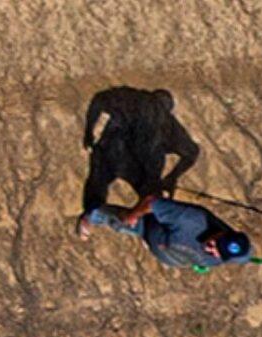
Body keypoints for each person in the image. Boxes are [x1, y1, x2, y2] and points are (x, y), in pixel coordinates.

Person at [81, 86, 200, 217]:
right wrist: (172, 177)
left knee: (97, 185)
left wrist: (89, 131)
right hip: (140, 166)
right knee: (151, 198)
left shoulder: (131, 97)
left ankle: (90, 215)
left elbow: (99, 99)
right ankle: (144, 219)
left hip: (113, 154)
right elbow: (192, 152)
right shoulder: (169, 123)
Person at [80, 192, 252, 273]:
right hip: (147, 226)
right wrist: (134, 214)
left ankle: (166, 209)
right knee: (120, 222)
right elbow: (151, 201)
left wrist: (200, 265)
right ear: (222, 232)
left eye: (219, 253)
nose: (212, 249)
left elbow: (234, 255)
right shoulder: (191, 220)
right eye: (217, 243)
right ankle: (92, 216)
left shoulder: (226, 257)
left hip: (166, 247)